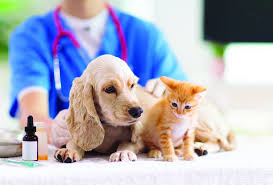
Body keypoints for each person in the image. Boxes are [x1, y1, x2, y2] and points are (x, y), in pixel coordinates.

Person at [9, 0, 187, 140]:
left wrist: (171, 96)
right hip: (70, 162)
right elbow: (32, 116)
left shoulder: (146, 35)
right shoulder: (31, 35)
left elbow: (191, 102)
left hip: (133, 153)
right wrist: (55, 131)